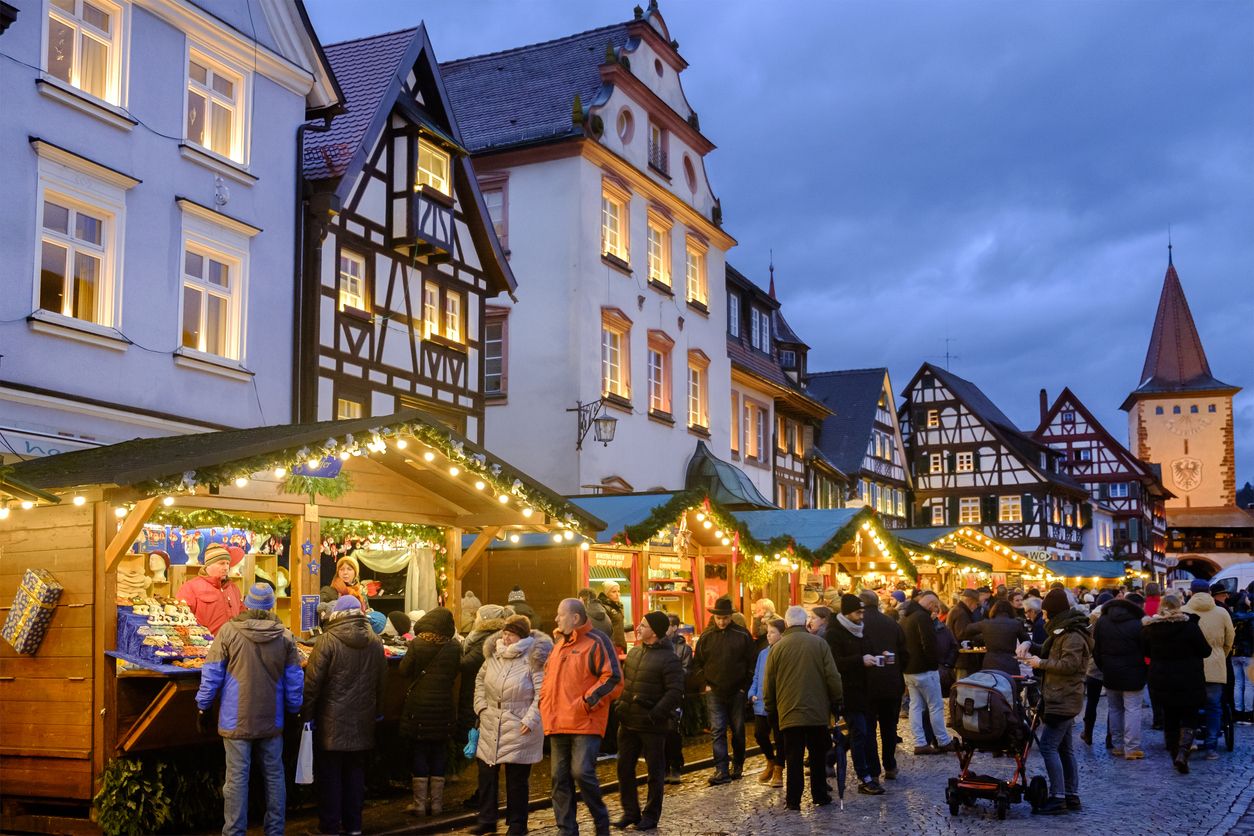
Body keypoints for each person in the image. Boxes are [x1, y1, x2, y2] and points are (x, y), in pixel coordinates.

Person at [195, 584, 302, 836]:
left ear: (245, 604)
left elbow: (212, 673)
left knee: (236, 780)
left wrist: (203, 707)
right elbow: (294, 678)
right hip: (271, 718)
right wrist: (294, 709)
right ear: (271, 605)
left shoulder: (228, 632)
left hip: (236, 720)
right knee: (275, 776)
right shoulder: (285, 636)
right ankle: (275, 831)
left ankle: (234, 832)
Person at [301, 595, 387, 836]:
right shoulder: (375, 640)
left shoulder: (327, 640)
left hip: (331, 722)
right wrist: (377, 713)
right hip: (363, 722)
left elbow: (313, 683)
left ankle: (329, 827)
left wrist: (307, 716)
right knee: (355, 776)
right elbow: (382, 682)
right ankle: (354, 827)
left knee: (330, 777)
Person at [541, 598, 622, 836]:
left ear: (574, 618)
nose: (556, 619)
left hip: (585, 722)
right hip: (557, 722)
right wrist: (543, 704)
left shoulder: (597, 641)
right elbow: (548, 680)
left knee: (581, 771)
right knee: (559, 778)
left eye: (560, 614)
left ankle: (600, 819)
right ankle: (566, 830)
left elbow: (613, 678)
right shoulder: (558, 645)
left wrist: (587, 702)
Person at [471, 614, 552, 836]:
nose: (505, 638)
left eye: (510, 634)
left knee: (517, 778)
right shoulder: (494, 655)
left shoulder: (533, 659)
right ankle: (487, 818)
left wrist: (531, 718)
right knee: (486, 773)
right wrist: (481, 706)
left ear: (521, 636)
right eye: (504, 633)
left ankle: (517, 823)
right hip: (491, 721)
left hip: (519, 722)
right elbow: (479, 681)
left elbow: (542, 693)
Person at [763, 605, 843, 811]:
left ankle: (793, 800)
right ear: (805, 622)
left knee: (793, 757)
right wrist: (837, 700)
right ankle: (819, 795)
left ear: (787, 623)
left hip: (788, 712)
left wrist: (771, 707)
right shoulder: (819, 644)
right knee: (817, 756)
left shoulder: (777, 649)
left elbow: (769, 683)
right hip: (817, 712)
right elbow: (832, 677)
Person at [1021, 588, 1092, 815]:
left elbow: (1069, 665)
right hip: (1060, 696)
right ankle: (1071, 795)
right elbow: (1052, 655)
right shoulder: (1062, 632)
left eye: (1046, 613)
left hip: (1063, 698)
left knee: (1049, 747)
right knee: (1065, 748)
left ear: (1056, 612)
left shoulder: (1072, 635)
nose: (1044, 617)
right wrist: (1030, 646)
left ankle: (1058, 797)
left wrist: (1039, 664)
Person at [613, 612, 684, 831]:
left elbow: (675, 692)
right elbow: (627, 684)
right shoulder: (634, 653)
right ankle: (630, 812)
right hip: (628, 722)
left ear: (654, 631)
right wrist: (620, 707)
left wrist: (655, 713)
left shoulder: (669, 658)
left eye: (643, 625)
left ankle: (651, 815)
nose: (638, 628)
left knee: (655, 772)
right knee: (624, 768)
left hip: (653, 725)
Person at [399, 608, 462, 817]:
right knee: (439, 752)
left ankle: (418, 804)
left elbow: (403, 670)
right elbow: (454, 674)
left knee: (420, 751)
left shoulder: (417, 644)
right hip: (443, 706)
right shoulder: (454, 647)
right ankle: (436, 805)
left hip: (419, 707)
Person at [1142, 593, 1211, 773]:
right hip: (1189, 678)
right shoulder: (1190, 627)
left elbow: (1145, 652)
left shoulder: (1151, 629)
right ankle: (1183, 752)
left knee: (1170, 718)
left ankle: (1175, 756)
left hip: (1162, 679)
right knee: (1190, 716)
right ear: (1179, 606)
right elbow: (1206, 651)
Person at [693, 596, 756, 785]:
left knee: (737, 730)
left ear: (731, 617)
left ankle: (737, 765)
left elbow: (751, 663)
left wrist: (744, 687)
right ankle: (721, 769)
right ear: (714, 617)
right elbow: (697, 664)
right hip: (714, 690)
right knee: (718, 730)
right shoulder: (706, 637)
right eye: (719, 618)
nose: (722, 621)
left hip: (737, 690)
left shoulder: (742, 635)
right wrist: (705, 683)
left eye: (725, 618)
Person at [826, 594, 884, 795]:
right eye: (858, 612)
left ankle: (830, 757)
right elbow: (834, 663)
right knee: (859, 732)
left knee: (862, 733)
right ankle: (865, 777)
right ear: (847, 613)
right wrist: (860, 660)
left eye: (862, 612)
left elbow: (868, 650)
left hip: (865, 691)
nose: (861, 616)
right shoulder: (834, 633)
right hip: (847, 693)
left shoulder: (860, 630)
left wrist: (878, 657)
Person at [1184, 578, 1236, 759]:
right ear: (1209, 592)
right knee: (1214, 706)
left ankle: (1188, 742)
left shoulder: (1183, 611)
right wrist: (1221, 654)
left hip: (1190, 667)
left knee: (1189, 706)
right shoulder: (1221, 612)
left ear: (1191, 592)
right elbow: (1230, 639)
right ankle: (1211, 747)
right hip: (1215, 665)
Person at [1092, 594, 1147, 759]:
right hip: (1134, 672)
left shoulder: (1102, 621)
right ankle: (1132, 747)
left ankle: (1117, 745)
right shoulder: (1138, 623)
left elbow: (1096, 650)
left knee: (1114, 709)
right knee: (1133, 709)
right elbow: (1145, 649)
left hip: (1110, 671)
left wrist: (1104, 666)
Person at [858, 590, 906, 781]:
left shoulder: (858, 625)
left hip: (867, 684)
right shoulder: (891, 623)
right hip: (891, 684)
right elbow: (904, 652)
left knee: (869, 729)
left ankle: (874, 770)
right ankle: (890, 765)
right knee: (889, 727)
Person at [901, 591, 955, 754]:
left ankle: (920, 742)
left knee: (915, 706)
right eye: (936, 607)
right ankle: (943, 740)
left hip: (909, 670)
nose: (936, 611)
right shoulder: (922, 618)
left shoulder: (906, 618)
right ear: (931, 604)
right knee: (935, 706)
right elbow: (929, 644)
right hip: (925, 670)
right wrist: (934, 664)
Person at [747, 617, 786, 788]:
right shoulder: (763, 653)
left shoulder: (784, 652)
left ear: (781, 634)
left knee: (779, 737)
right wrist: (752, 692)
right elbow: (757, 675)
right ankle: (770, 760)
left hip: (778, 701)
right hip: (761, 701)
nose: (768, 636)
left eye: (772, 632)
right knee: (760, 734)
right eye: (768, 632)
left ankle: (779, 768)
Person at [177, 543, 242, 634]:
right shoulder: (191, 588)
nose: (226, 568)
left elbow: (242, 614)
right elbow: (181, 618)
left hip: (233, 645)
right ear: (208, 565)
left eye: (227, 563)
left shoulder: (233, 588)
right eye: (221, 563)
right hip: (206, 645)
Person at [962, 599, 1029, 676]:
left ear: (994, 610)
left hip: (990, 662)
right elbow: (1026, 641)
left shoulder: (986, 623)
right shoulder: (1016, 624)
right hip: (1010, 662)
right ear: (1011, 611)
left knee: (992, 686)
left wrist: (982, 637)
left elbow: (967, 630)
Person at [664, 613, 693, 783]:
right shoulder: (658, 645)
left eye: (668, 625)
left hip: (675, 694)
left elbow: (686, 671)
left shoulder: (684, 649)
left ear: (674, 627)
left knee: (672, 730)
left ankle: (675, 765)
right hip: (659, 694)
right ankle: (665, 767)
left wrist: (669, 677)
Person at [1232, 593, 1254, 723]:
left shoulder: (1235, 616)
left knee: (1238, 684)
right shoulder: (1252, 617)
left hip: (1236, 653)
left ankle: (1238, 712)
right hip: (1249, 653)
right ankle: (1248, 713)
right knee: (1249, 685)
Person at [598, 582, 627, 653]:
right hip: (611, 646)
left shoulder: (617, 606)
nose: (617, 594)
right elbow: (604, 629)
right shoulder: (603, 608)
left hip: (620, 645)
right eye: (614, 592)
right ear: (606, 593)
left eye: (619, 591)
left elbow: (617, 625)